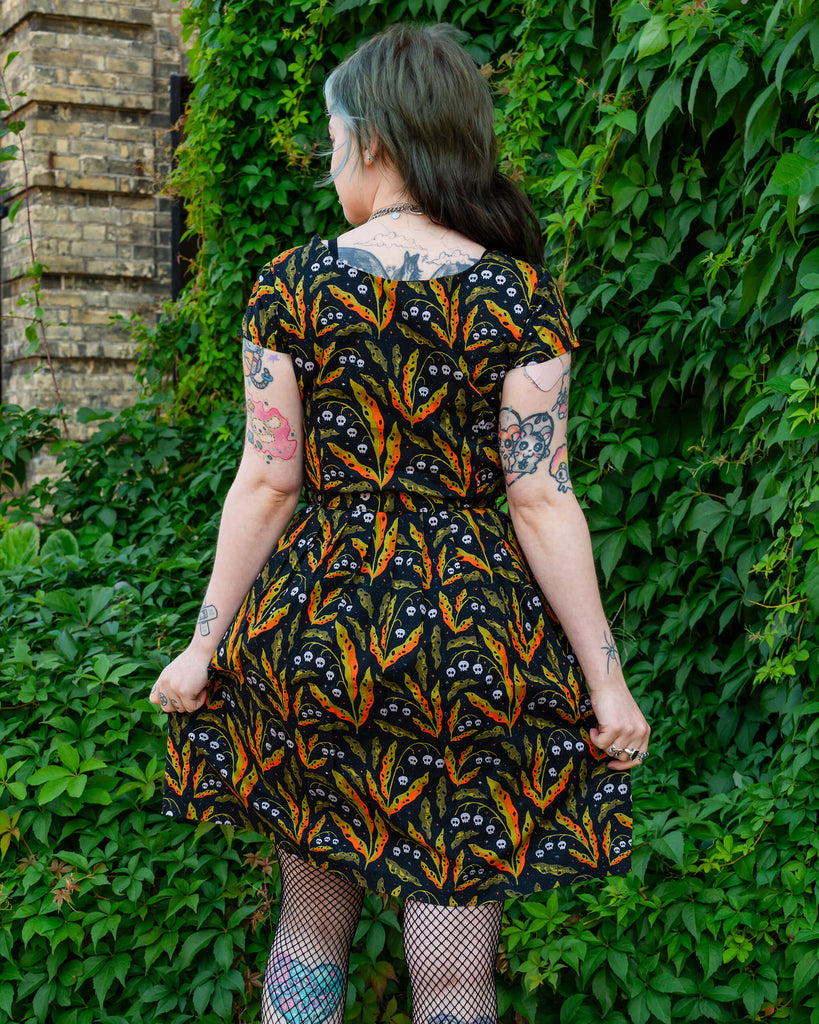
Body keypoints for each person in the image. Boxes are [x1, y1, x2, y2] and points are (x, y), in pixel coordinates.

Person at [150, 22, 650, 1024]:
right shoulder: (520, 300)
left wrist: (203, 649)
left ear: (374, 140)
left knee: (309, 926)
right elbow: (541, 495)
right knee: (458, 976)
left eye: (337, 143)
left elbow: (266, 482)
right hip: (466, 650)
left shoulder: (292, 287)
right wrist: (607, 682)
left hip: (319, 640)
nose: (336, 166)